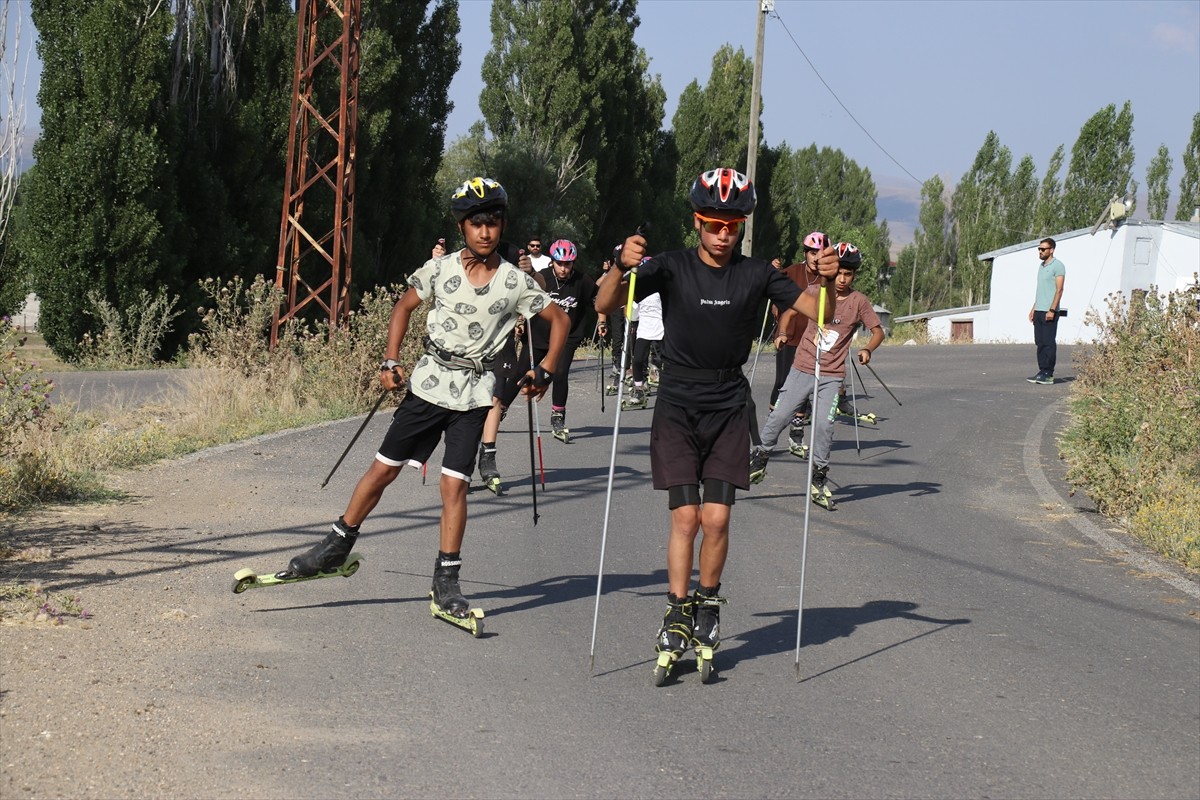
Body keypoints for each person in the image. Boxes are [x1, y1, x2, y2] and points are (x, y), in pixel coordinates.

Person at [277, 177, 568, 625]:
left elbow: (559, 320)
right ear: (462, 227)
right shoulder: (440, 269)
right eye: (476, 223)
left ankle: (446, 581)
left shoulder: (515, 281)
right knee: (383, 470)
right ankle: (336, 545)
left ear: (502, 225)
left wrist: (544, 369)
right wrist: (390, 360)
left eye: (493, 222)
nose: (485, 231)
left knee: (454, 486)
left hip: (473, 393)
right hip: (428, 384)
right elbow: (403, 307)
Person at [595, 166, 838, 683]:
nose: (723, 234)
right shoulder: (671, 266)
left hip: (728, 404)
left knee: (718, 519)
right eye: (713, 224)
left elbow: (819, 311)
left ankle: (707, 606)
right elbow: (605, 303)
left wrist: (826, 280)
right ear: (697, 222)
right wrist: (620, 265)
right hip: (677, 404)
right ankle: (676, 611)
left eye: (732, 226)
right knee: (685, 519)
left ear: (742, 227)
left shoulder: (757, 273)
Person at [749, 242, 885, 511]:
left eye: (848, 274)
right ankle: (761, 457)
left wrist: (868, 349)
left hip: (832, 375)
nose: (842, 279)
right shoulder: (815, 291)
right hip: (803, 367)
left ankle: (819, 477)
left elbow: (878, 331)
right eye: (839, 273)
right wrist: (783, 333)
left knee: (824, 426)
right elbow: (789, 312)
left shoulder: (859, 302)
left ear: (854, 275)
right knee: (780, 415)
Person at [529, 239, 598, 443]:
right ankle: (501, 409)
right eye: (559, 263)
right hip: (541, 334)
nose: (563, 268)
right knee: (520, 370)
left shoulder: (582, 280)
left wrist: (602, 321)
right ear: (552, 261)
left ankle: (558, 416)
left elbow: (600, 301)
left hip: (569, 335)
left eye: (568, 264)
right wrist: (520, 321)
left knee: (560, 372)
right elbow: (525, 299)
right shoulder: (543, 277)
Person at [1028, 238, 1065, 385]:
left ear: (1051, 250)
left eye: (1043, 249)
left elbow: (1059, 290)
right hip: (1039, 310)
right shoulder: (1041, 266)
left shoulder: (1058, 266)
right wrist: (1034, 308)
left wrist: (1052, 309)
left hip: (1050, 311)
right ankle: (1041, 371)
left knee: (1048, 342)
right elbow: (1041, 290)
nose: (1040, 251)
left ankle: (1048, 373)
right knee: (1040, 342)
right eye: (1039, 249)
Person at [621, 289, 662, 410]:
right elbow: (631, 308)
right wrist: (629, 320)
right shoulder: (640, 288)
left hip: (661, 328)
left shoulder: (662, 288)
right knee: (637, 360)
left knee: (661, 361)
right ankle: (639, 390)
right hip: (644, 330)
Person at [598, 252, 631, 395]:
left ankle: (630, 369)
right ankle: (617, 366)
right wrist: (607, 273)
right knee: (617, 339)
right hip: (616, 308)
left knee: (630, 339)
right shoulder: (613, 271)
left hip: (631, 307)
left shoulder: (632, 268)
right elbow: (597, 287)